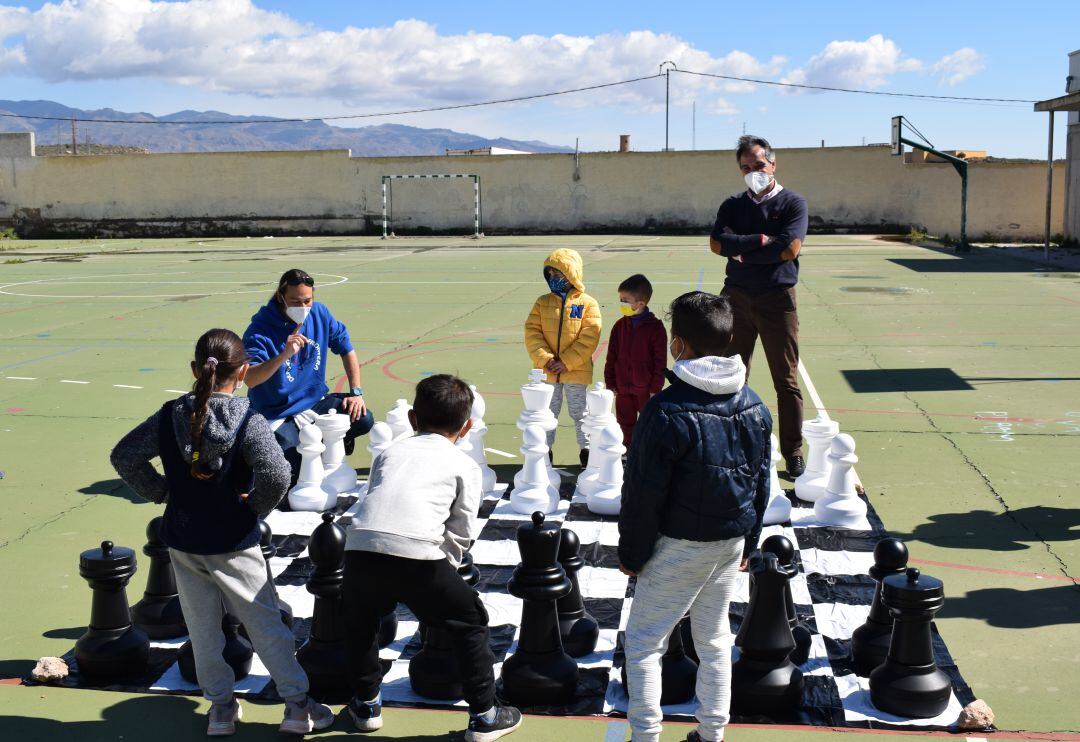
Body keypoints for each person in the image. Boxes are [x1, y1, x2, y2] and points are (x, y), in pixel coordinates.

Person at [110, 328, 334, 737]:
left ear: (196, 369)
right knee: (265, 626)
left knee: (203, 629)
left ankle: (221, 710)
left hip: (183, 539)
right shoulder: (247, 418)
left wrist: (163, 493)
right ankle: (298, 706)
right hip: (233, 542)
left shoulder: (169, 414)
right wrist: (251, 510)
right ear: (244, 370)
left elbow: (124, 456)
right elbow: (277, 472)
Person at [618, 292, 772, 742]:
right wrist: (751, 540)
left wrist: (632, 552)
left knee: (646, 643)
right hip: (729, 543)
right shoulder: (755, 404)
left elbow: (643, 492)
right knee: (714, 639)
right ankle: (711, 734)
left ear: (678, 344)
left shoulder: (665, 410)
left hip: (678, 544)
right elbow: (762, 482)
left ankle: (646, 736)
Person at [341, 374, 522, 742]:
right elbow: (460, 532)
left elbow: (375, 500)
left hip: (359, 548)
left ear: (412, 419)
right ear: (468, 426)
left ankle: (366, 703)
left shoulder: (390, 451)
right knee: (470, 621)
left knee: (361, 624)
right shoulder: (463, 464)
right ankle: (486, 715)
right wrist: (444, 584)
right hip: (419, 553)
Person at [709, 135, 808, 477]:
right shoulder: (732, 205)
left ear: (773, 164)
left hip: (777, 301)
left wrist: (740, 250)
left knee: (786, 379)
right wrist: (760, 241)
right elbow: (715, 243)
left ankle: (793, 450)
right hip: (735, 298)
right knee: (732, 374)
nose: (754, 173)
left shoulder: (793, 203)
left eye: (759, 166)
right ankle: (729, 442)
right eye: (746, 168)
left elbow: (789, 250)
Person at [243, 268, 374, 479]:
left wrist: (356, 392)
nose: (303, 307)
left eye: (307, 301)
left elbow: (347, 349)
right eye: (295, 301)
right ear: (280, 297)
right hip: (277, 414)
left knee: (364, 418)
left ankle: (330, 441)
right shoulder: (260, 330)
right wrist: (283, 355)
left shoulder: (319, 313)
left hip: (314, 404)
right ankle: (313, 445)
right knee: (288, 470)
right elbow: (249, 378)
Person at [524, 248, 601, 466]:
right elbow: (532, 333)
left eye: (558, 274)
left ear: (572, 274)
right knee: (547, 414)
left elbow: (590, 336)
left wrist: (566, 362)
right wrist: (546, 359)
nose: (553, 279)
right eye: (550, 275)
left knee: (580, 413)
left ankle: (587, 452)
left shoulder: (588, 304)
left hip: (576, 371)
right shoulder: (542, 302)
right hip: (547, 372)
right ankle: (544, 453)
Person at [603, 273, 667, 446]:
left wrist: (655, 387)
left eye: (625, 300)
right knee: (624, 425)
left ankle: (648, 456)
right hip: (623, 388)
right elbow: (611, 357)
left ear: (640, 303)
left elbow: (660, 362)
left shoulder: (656, 328)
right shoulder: (619, 326)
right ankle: (627, 455)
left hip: (646, 390)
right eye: (620, 299)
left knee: (649, 425)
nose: (621, 303)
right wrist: (610, 383)